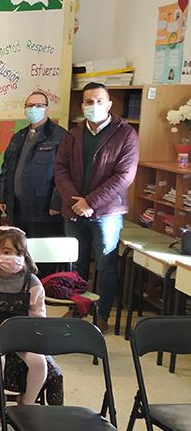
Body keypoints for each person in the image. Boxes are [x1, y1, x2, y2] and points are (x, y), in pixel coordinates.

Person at [55, 82, 139, 333]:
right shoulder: (73, 134)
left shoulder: (125, 134)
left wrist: (90, 202)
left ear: (109, 104)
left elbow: (124, 176)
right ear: (82, 106)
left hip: (107, 212)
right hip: (74, 209)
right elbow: (60, 170)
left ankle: (102, 314)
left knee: (105, 265)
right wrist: (76, 202)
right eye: (89, 102)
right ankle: (78, 307)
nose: (94, 106)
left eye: (99, 101)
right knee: (76, 263)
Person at [0, 227, 47, 405]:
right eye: (7, 251)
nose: (12, 256)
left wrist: (28, 333)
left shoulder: (33, 283)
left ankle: (27, 403)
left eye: (18, 252)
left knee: (39, 363)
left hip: (22, 334)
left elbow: (38, 317)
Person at [0, 91, 67, 238]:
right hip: (17, 208)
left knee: (43, 255)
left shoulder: (60, 136)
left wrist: (57, 203)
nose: (34, 108)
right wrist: (2, 196)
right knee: (21, 252)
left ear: (47, 109)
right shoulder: (18, 136)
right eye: (30, 105)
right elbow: (6, 169)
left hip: (44, 209)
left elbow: (65, 174)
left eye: (39, 105)